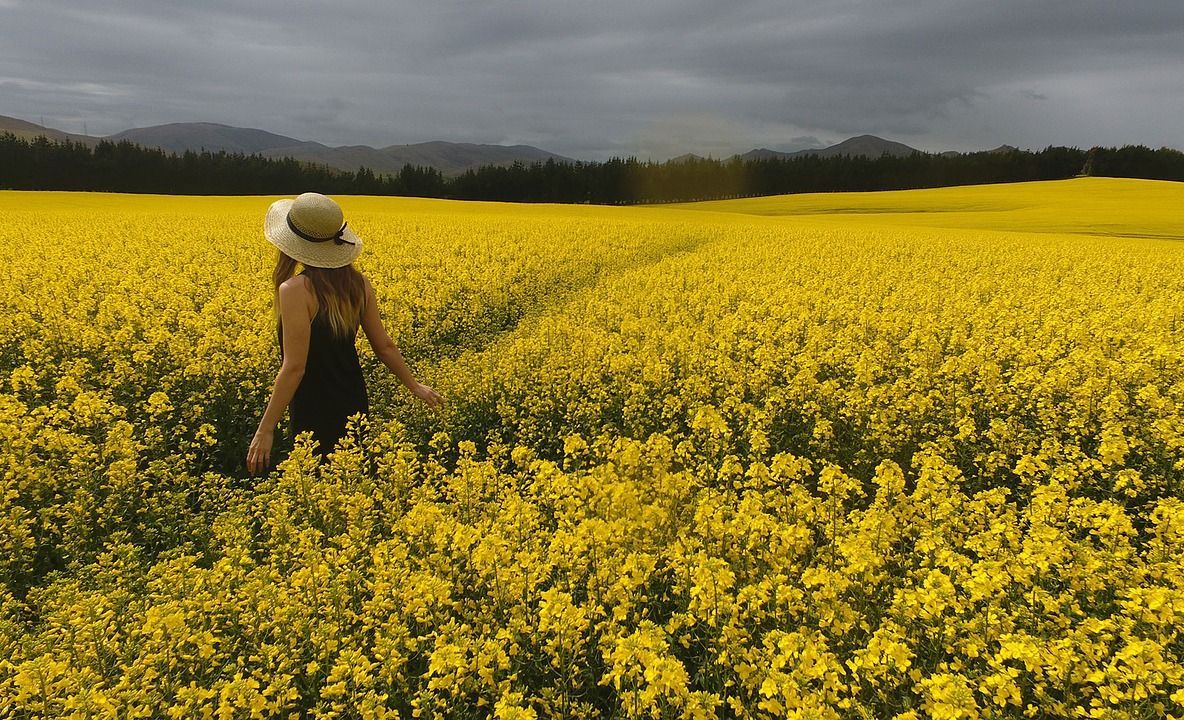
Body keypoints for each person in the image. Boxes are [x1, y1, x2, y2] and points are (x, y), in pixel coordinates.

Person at [246, 192, 442, 475]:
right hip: (353, 398)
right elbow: (384, 346)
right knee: (351, 478)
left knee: (317, 480)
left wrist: (265, 430)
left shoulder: (294, 290)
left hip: (313, 403)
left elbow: (295, 367)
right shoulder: (358, 284)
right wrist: (414, 386)